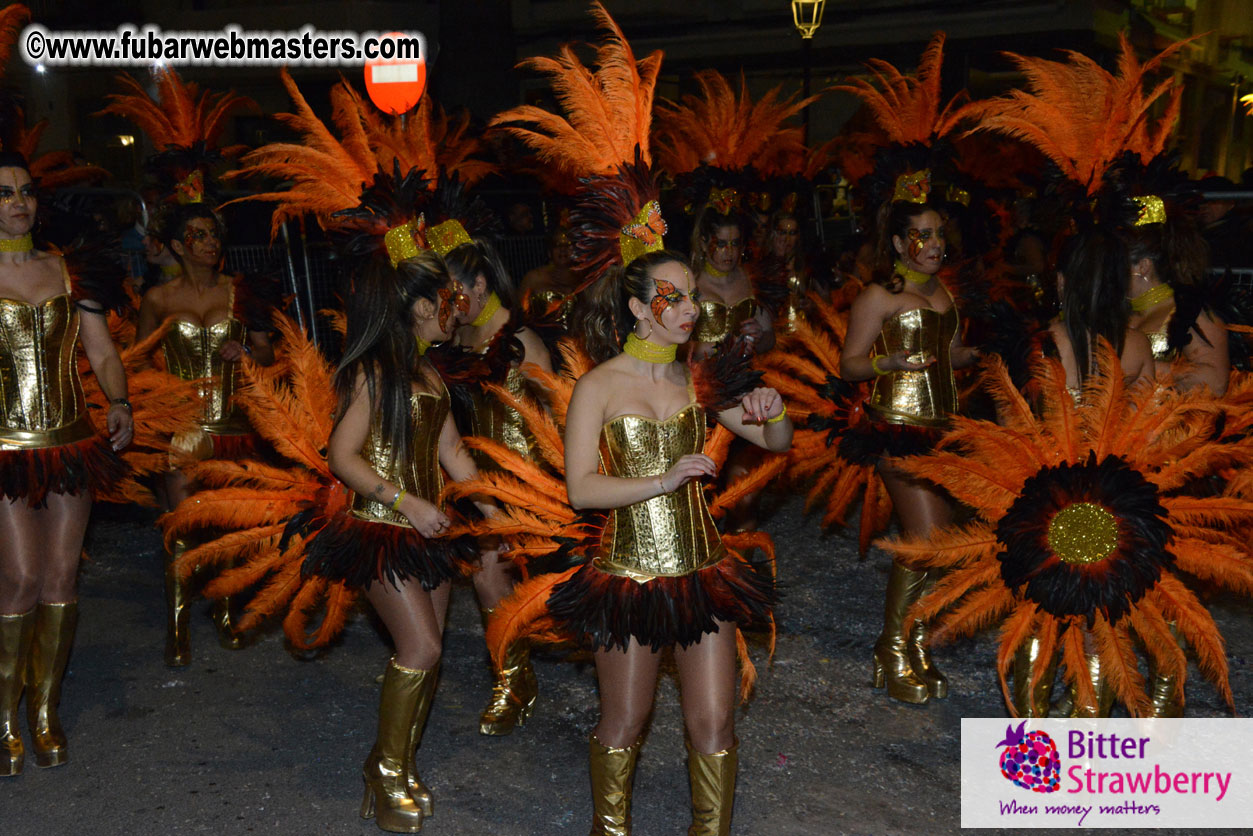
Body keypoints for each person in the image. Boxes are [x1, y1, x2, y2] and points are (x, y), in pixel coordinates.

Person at [559, 247, 791, 834]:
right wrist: (662, 480)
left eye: (693, 295)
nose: (691, 307)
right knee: (625, 722)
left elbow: (777, 442)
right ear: (639, 307)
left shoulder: (700, 382)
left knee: (715, 724)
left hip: (704, 574)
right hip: (628, 576)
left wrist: (775, 408)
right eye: (675, 296)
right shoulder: (599, 386)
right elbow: (581, 489)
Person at [308, 249, 491, 832]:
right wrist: (405, 502)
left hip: (429, 533)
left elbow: (453, 452)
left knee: (428, 652)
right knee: (423, 649)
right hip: (380, 529)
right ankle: (386, 774)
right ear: (417, 306)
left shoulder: (430, 371)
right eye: (449, 301)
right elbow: (342, 455)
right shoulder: (375, 372)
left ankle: (395, 763)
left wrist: (501, 515)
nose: (459, 312)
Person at [0, 152, 133, 776]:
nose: (18, 202)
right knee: (22, 579)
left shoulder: (68, 270)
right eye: (3, 193)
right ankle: (5, 715)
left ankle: (45, 711)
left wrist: (120, 401)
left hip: (73, 444)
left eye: (25, 191)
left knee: (61, 580)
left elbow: (102, 352)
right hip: (5, 449)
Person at [839, 195, 979, 705]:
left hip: (943, 426)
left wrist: (980, 354)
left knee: (940, 544)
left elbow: (949, 356)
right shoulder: (879, 295)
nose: (935, 244)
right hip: (896, 427)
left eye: (939, 233)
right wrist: (888, 363)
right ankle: (892, 647)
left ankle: (916, 643)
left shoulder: (942, 291)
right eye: (923, 235)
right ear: (899, 243)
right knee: (922, 538)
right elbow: (848, 364)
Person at [1011, 226, 1153, 718]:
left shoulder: (1041, 342)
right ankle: (1087, 736)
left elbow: (1015, 426)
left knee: (1039, 614)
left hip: (1042, 497)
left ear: (1061, 280)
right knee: (1100, 623)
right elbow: (1147, 426)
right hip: (1112, 501)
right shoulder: (1134, 343)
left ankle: (1030, 736)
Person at [135, 202, 275, 666]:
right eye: (198, 234)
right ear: (177, 245)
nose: (211, 242)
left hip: (234, 426)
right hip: (183, 430)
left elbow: (268, 353)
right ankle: (178, 628)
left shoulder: (241, 292)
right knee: (183, 528)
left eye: (214, 234)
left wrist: (248, 353)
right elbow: (135, 361)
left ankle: (226, 613)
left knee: (230, 526)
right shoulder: (157, 299)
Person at [444, 233, 553, 735]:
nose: (447, 303)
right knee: (487, 574)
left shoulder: (520, 340)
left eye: (454, 291)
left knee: (520, 579)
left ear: (482, 282)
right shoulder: (456, 339)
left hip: (526, 479)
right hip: (476, 479)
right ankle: (515, 678)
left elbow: (554, 413)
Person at [690, 204, 775, 357]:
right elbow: (672, 347)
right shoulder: (688, 283)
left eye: (735, 243)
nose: (729, 252)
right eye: (721, 244)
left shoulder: (750, 279)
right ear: (703, 243)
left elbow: (770, 339)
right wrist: (720, 347)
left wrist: (758, 337)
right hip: (699, 378)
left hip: (744, 376)